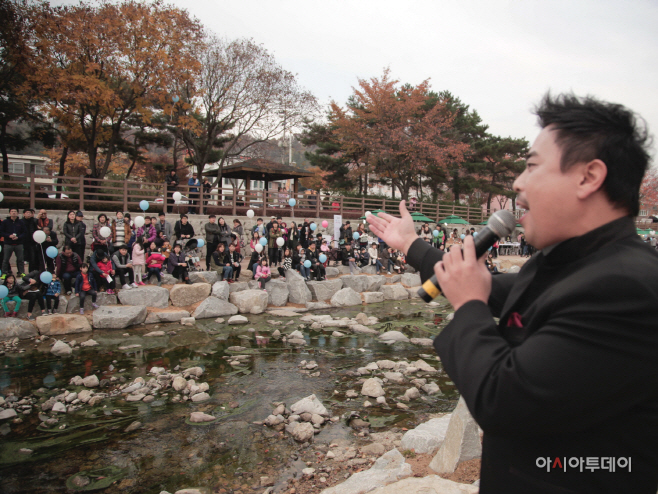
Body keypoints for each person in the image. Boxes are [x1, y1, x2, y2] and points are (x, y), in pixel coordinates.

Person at [367, 94, 658, 494]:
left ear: (589, 177)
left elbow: (504, 402)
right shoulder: (574, 262)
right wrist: (413, 245)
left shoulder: (626, 286)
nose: (519, 184)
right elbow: (492, 286)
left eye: (533, 166)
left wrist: (468, 305)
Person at [1, 208, 26, 278]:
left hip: (19, 244)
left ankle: (21, 272)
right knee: (5, 259)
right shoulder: (5, 222)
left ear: (18, 213)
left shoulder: (21, 222)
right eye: (12, 211)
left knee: (20, 260)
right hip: (8, 244)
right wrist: (9, 236)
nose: (13, 213)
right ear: (9, 213)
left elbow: (24, 232)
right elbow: (1, 232)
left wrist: (18, 237)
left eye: (15, 211)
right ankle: (4, 273)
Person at [21, 209, 37, 273]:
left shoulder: (34, 221)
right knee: (21, 259)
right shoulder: (21, 221)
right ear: (24, 214)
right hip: (22, 242)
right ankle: (21, 272)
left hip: (32, 242)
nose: (28, 214)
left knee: (32, 259)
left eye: (30, 213)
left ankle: (31, 272)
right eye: (27, 212)